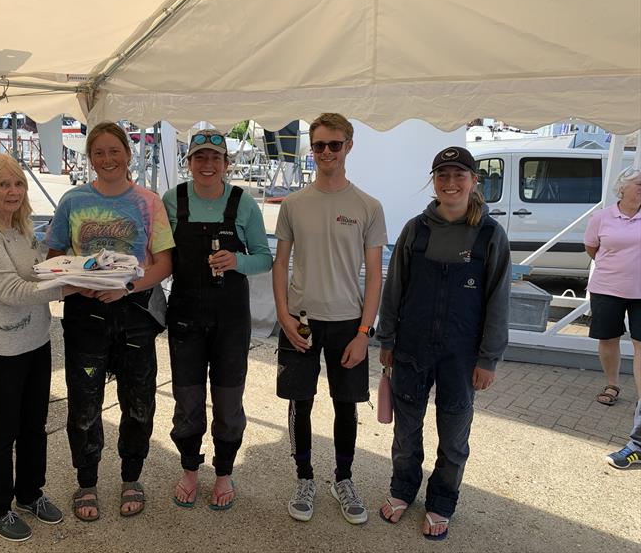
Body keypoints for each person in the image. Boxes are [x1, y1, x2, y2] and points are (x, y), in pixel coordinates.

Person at [375, 146, 511, 541]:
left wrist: (489, 358)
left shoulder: (490, 234)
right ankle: (402, 490)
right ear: (433, 180)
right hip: (411, 348)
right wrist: (387, 339)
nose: (451, 183)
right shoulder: (416, 229)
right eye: (443, 175)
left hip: (461, 354)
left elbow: (499, 300)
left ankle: (441, 502)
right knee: (406, 430)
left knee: (453, 436)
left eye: (459, 175)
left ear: (473, 181)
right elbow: (394, 287)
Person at [46, 122, 174, 520]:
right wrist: (75, 281)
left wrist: (128, 287)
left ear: (128, 154)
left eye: (114, 151)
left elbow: (165, 263)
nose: (107, 160)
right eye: (98, 153)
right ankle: (87, 482)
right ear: (89, 158)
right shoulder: (73, 201)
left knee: (139, 403)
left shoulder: (149, 202)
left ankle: (131, 476)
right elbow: (55, 258)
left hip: (135, 312)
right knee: (85, 404)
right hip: (86, 315)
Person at [0, 154, 81, 542]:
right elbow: (11, 291)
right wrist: (72, 287)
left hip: (35, 339)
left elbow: (36, 270)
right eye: (3, 185)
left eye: (19, 184)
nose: (13, 192)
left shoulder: (19, 225)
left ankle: (30, 494)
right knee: (1, 429)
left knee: (33, 425)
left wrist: (78, 266)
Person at [272, 112, 387, 525]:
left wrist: (364, 333)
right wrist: (283, 317)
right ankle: (304, 477)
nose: (325, 152)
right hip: (301, 319)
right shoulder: (294, 203)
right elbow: (280, 263)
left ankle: (344, 478)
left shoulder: (367, 206)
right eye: (318, 145)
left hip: (346, 323)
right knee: (300, 403)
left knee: (346, 404)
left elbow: (375, 275)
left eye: (334, 145)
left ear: (348, 146)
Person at [162, 129, 273, 511]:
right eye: (199, 158)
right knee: (187, 398)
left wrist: (237, 261)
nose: (207, 165)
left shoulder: (243, 203)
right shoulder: (172, 200)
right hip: (185, 317)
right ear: (189, 162)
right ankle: (190, 467)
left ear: (227, 164)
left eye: (215, 158)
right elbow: (159, 256)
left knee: (228, 400)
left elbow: (264, 257)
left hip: (230, 319)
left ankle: (224, 470)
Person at [583, 166, 641, 468]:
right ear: (623, 188)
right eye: (639, 184)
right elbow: (592, 248)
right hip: (608, 287)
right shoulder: (602, 217)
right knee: (609, 339)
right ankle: (612, 384)